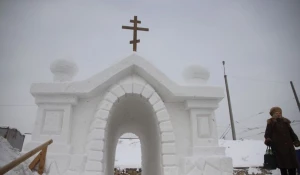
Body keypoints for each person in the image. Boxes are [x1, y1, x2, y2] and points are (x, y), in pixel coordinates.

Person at [264, 107, 300, 175]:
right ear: (273, 114)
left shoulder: (285, 122)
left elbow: (291, 132)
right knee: (283, 167)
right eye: (276, 113)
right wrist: (268, 140)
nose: (278, 114)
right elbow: (267, 133)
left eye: (279, 113)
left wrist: (296, 140)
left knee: (293, 165)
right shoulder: (271, 123)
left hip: (289, 147)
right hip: (279, 148)